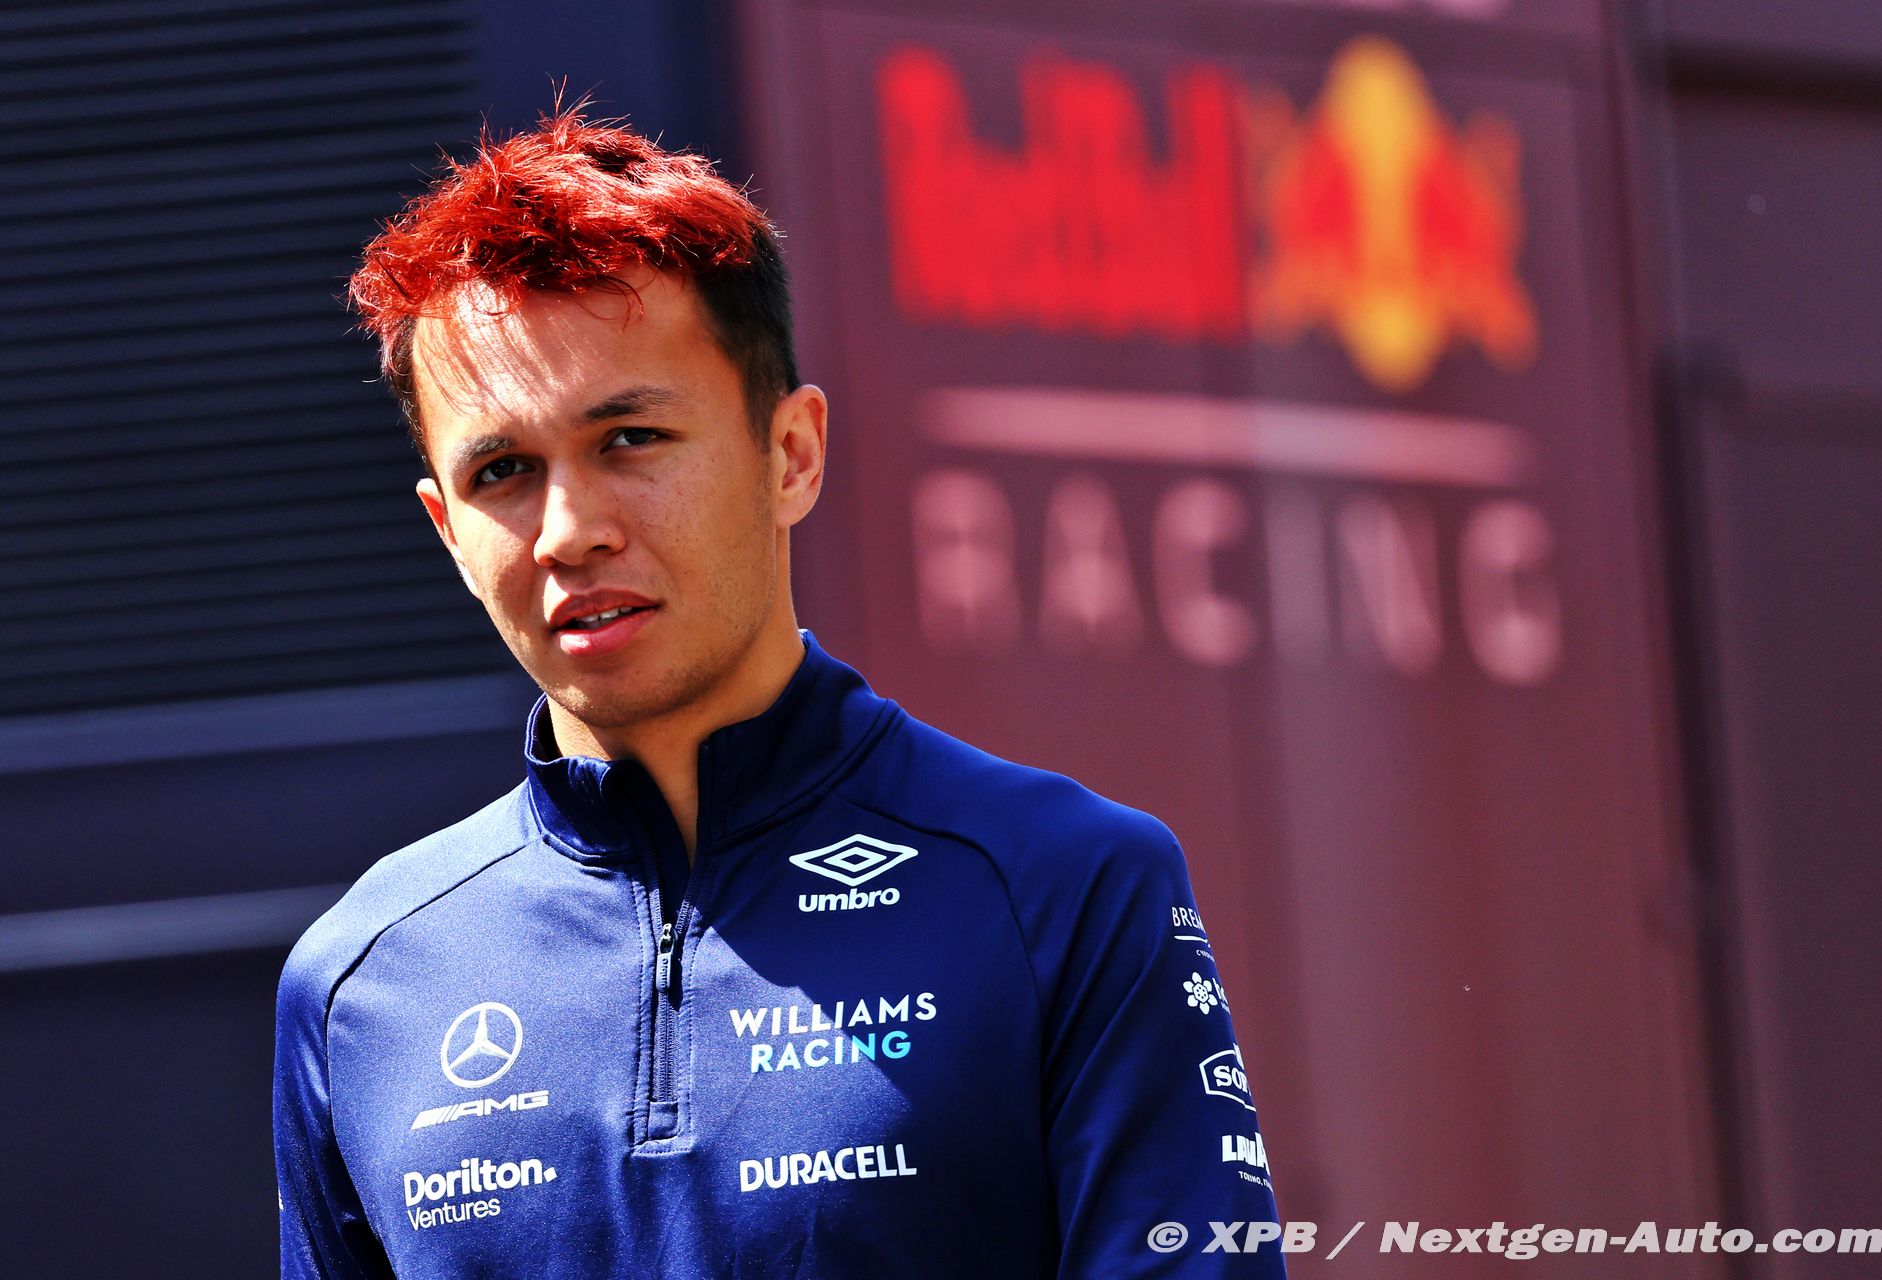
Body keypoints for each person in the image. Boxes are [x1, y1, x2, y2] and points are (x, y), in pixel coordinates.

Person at [273, 109, 1287, 1278]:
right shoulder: (358, 981)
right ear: (448, 529)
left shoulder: (1064, 884)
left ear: (790, 454)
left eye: (631, 437)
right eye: (502, 470)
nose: (569, 530)